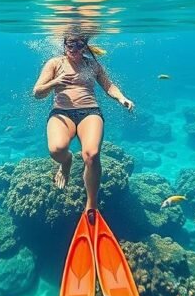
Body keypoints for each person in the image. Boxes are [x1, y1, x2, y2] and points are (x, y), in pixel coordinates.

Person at [32, 30, 134, 211]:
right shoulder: (55, 63)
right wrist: (55, 82)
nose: (74, 48)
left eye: (79, 45)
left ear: (85, 46)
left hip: (90, 111)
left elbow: (108, 85)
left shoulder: (92, 65)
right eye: (70, 44)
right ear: (64, 44)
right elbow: (37, 93)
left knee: (92, 155)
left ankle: (91, 204)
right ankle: (66, 162)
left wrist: (122, 98)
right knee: (56, 150)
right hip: (61, 111)